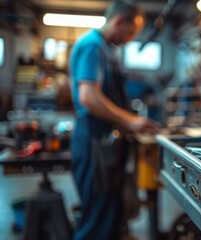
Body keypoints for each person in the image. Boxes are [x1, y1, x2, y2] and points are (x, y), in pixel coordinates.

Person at [69, 1, 158, 239]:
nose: (129, 39)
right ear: (118, 21)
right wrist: (129, 120)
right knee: (95, 222)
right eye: (129, 33)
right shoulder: (92, 47)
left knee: (110, 216)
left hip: (105, 142)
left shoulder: (107, 50)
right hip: (94, 141)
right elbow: (88, 97)